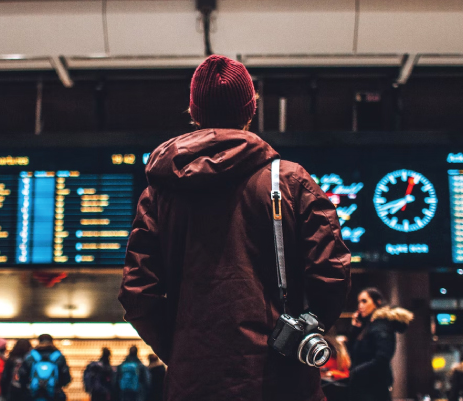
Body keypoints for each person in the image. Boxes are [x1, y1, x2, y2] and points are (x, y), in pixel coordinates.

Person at [118, 54, 351, 401]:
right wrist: (299, 335)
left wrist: (184, 354)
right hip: (282, 383)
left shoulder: (159, 192)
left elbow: (137, 292)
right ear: (250, 110)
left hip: (193, 387)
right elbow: (331, 273)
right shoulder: (289, 181)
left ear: (194, 111)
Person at [347, 288, 414, 401]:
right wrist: (355, 329)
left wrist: (356, 372)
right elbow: (352, 353)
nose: (360, 306)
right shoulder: (368, 326)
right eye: (359, 302)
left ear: (377, 302)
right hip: (365, 386)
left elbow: (382, 358)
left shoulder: (380, 326)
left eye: (364, 301)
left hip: (374, 388)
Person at [18, 334, 71, 401]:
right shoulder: (58, 356)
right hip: (54, 396)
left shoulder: (31, 356)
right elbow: (66, 378)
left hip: (34, 395)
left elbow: (22, 375)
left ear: (39, 341)